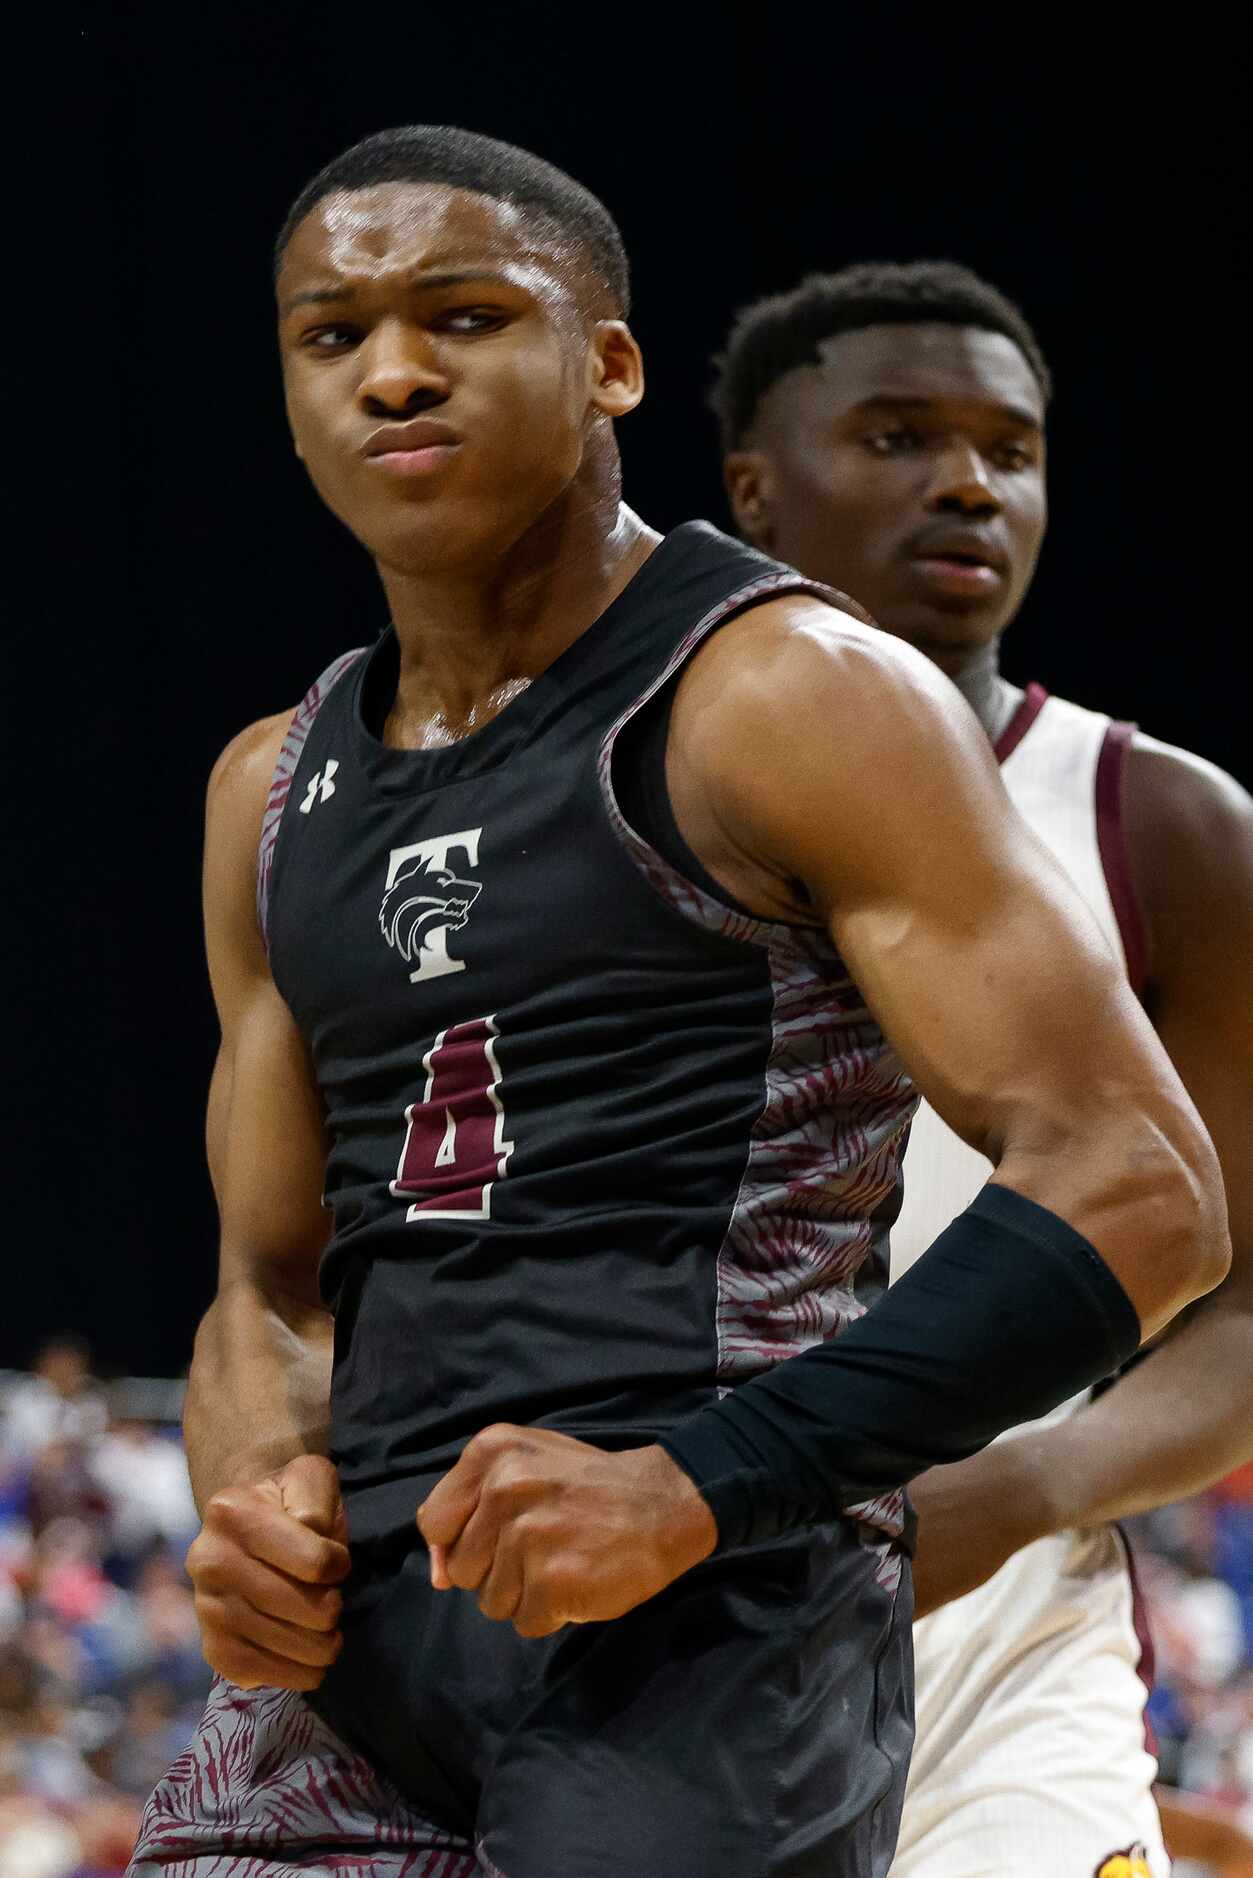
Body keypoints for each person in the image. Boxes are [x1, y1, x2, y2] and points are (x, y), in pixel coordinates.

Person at [130, 133, 1228, 1878]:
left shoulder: (788, 692)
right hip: (359, 1670)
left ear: (611, 365)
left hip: (714, 1627)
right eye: (331, 336)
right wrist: (255, 1488)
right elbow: (267, 1288)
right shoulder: (266, 788)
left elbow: (1140, 1183)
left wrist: (700, 1481)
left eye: (464, 316)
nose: (394, 369)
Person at [712, 258, 1253, 1877]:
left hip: (1009, 1631)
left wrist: (1019, 1486)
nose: (966, 480)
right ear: (752, 487)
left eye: (1007, 448)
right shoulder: (605, 805)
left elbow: (1241, 1313)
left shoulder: (1161, 822)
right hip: (666, 1604)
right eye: (894, 436)